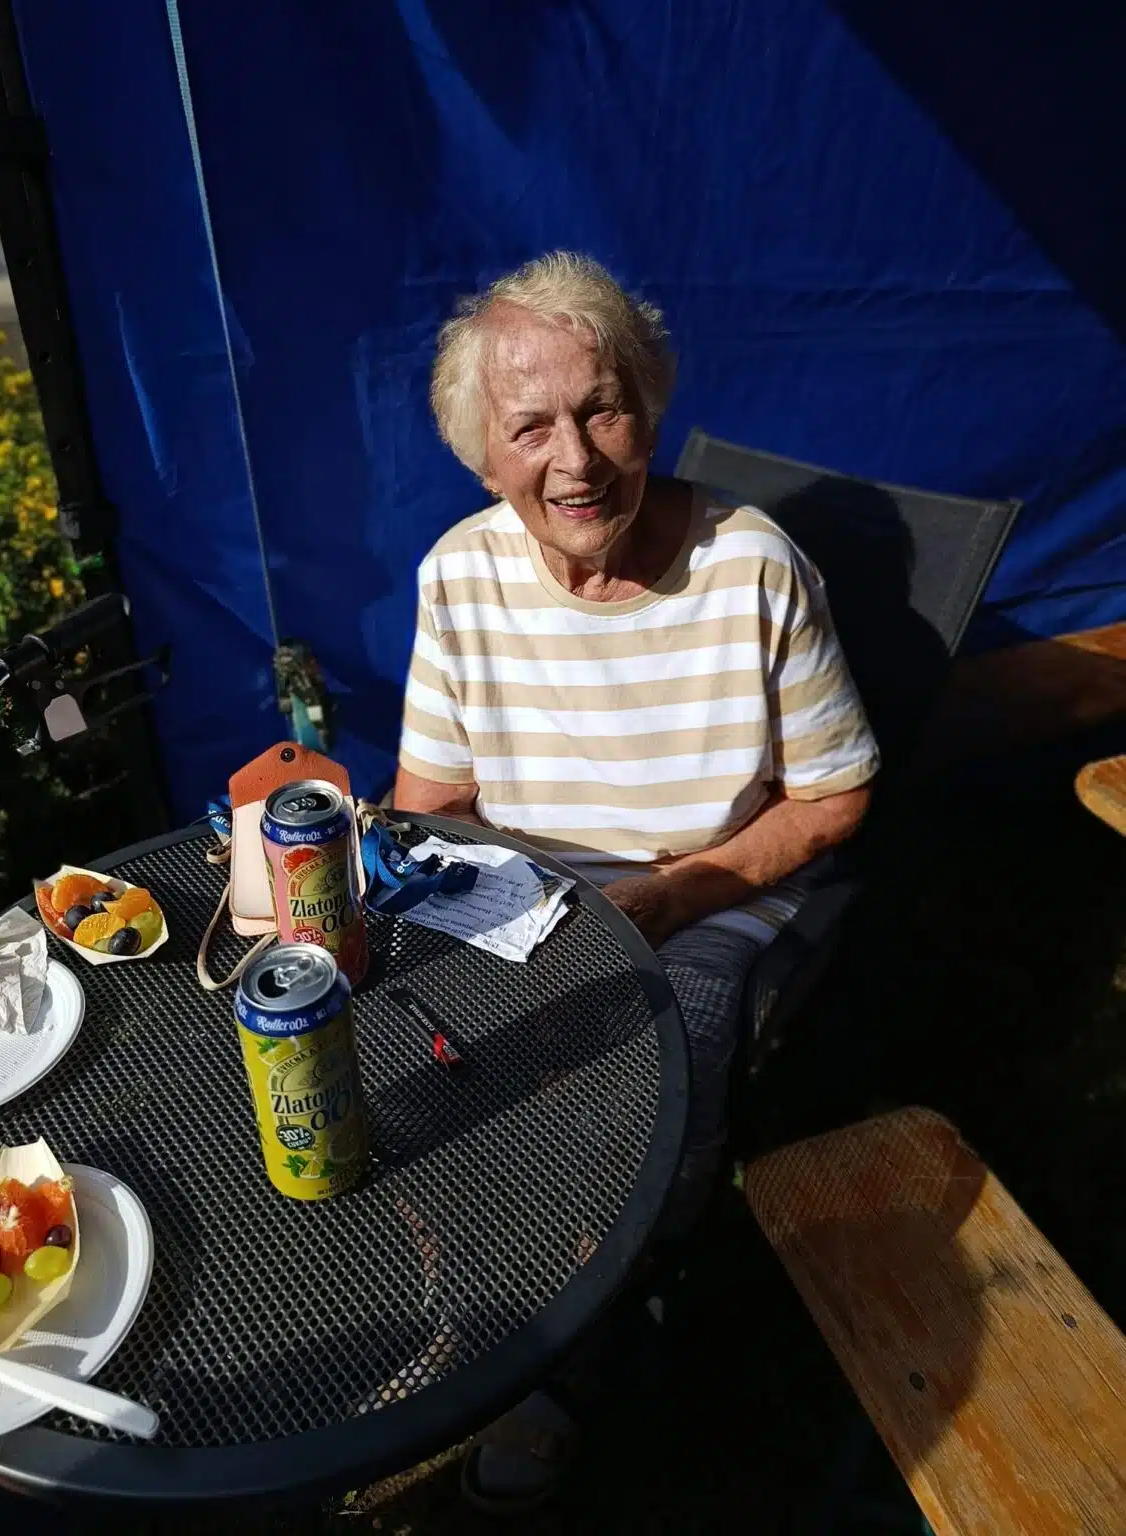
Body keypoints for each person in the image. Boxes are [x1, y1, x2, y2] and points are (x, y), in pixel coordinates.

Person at [394, 251, 879, 1510]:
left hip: (709, 889)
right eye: (529, 427)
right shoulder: (458, 574)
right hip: (525, 897)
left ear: (649, 411)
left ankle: (572, 1351)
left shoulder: (751, 566)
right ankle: (463, 1299)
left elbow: (833, 795)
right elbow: (430, 805)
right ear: (482, 457)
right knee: (409, 1042)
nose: (575, 461)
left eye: (602, 410)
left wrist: (669, 896)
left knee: (660, 1058)